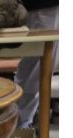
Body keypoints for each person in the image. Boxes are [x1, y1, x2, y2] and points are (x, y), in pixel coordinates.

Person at [14, 0, 59, 128]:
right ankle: (20, 122)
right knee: (36, 69)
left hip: (46, 8)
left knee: (40, 68)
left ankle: (22, 120)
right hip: (41, 9)